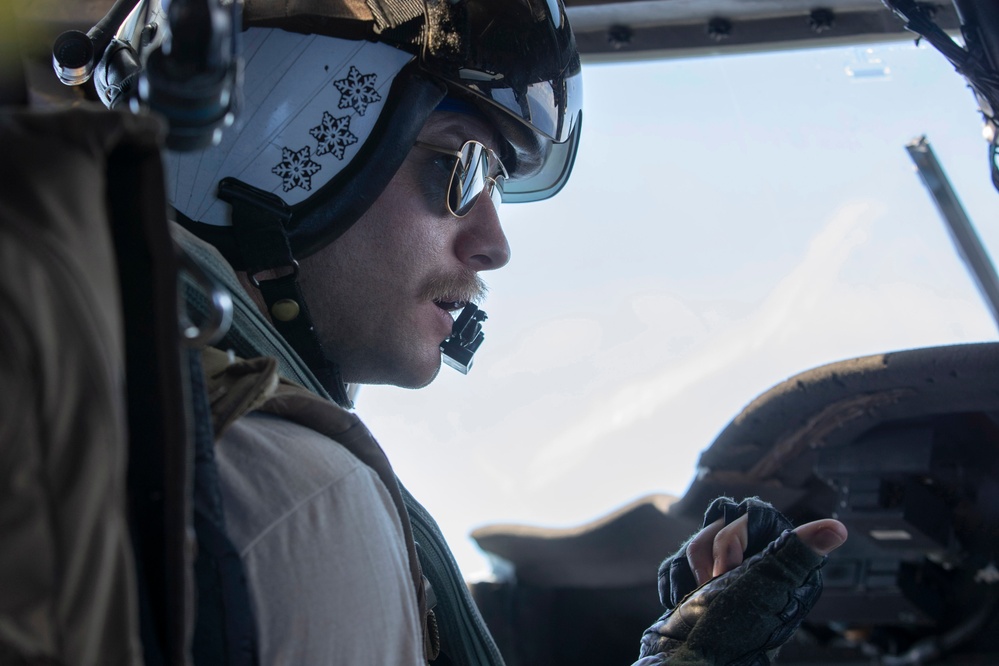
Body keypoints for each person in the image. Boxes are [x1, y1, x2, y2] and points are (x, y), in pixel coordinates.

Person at [92, 0, 848, 663]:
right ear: (273, 155)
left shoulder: (149, 405)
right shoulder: (301, 494)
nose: (493, 243)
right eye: (459, 166)